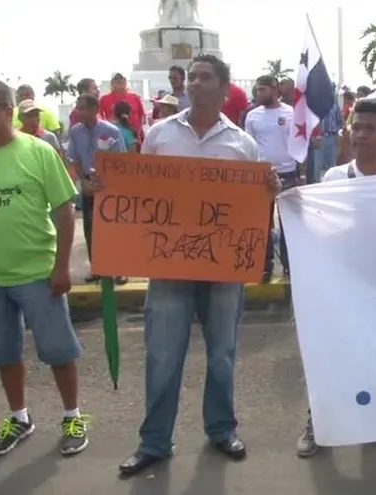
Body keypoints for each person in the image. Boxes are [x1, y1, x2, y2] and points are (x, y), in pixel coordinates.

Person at [118, 54, 282, 478]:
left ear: (224, 89)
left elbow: (252, 207)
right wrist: (107, 186)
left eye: (204, 77)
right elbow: (139, 193)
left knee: (222, 354)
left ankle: (221, 430)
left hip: (223, 269)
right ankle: (154, 441)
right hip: (169, 267)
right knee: (162, 355)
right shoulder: (159, 134)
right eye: (191, 77)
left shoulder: (241, 144)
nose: (194, 82)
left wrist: (268, 189)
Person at [0, 77, 86, 457]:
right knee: (5, 354)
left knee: (58, 351)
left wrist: (61, 268)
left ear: (7, 111)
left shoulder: (39, 152)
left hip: (39, 274)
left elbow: (64, 211)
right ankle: (19, 418)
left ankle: (72, 416)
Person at [297, 99, 376, 457]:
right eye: (355, 127)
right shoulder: (334, 179)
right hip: (342, 284)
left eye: (369, 128)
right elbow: (318, 223)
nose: (360, 135)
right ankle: (318, 423)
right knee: (331, 354)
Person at [67, 95, 129, 284]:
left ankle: (119, 269)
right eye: (77, 108)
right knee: (90, 228)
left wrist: (109, 183)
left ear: (94, 109)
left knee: (114, 228)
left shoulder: (111, 131)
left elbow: (121, 160)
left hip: (110, 185)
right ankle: (97, 268)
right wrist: (84, 183)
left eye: (82, 108)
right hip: (88, 185)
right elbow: (74, 159)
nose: (78, 111)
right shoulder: (75, 132)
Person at [244, 75, 297, 282]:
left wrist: (301, 172)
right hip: (262, 175)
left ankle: (288, 265)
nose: (259, 94)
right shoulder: (252, 116)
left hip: (288, 174)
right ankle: (264, 264)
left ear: (275, 90)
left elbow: (299, 144)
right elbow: (249, 145)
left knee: (287, 222)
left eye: (263, 90)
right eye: (257, 90)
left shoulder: (291, 113)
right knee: (262, 223)